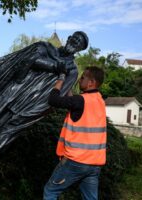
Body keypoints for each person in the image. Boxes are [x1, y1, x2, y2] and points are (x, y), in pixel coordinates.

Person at [0, 31, 89, 171]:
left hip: (32, 102)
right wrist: (55, 67)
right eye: (75, 38)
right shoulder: (46, 48)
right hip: (15, 90)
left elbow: (59, 92)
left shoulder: (72, 70)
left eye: (79, 43)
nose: (75, 42)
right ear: (69, 38)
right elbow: (29, 59)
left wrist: (38, 110)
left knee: (5, 132)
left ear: (80, 49)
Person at [43, 66, 106, 200]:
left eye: (82, 77)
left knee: (50, 191)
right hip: (94, 164)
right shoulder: (99, 100)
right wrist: (68, 87)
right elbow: (75, 104)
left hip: (77, 160)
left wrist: (60, 80)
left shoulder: (80, 100)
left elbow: (53, 100)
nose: (79, 80)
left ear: (91, 82)